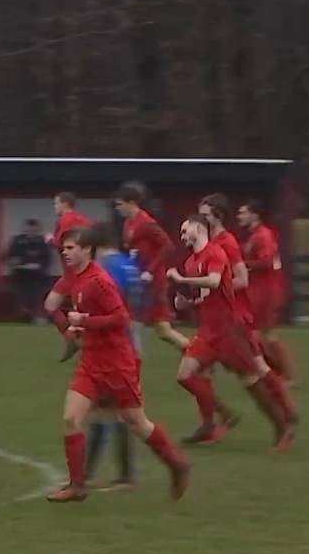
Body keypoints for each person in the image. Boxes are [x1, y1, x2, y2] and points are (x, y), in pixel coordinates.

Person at [42, 227, 190, 503]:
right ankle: (77, 486)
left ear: (87, 250)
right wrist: (77, 332)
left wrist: (84, 321)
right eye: (64, 248)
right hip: (91, 361)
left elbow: (121, 319)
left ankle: (177, 464)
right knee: (71, 419)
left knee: (137, 423)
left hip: (116, 364)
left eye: (71, 247)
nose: (65, 252)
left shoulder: (100, 280)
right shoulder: (76, 278)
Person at [167, 216, 297, 452]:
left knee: (251, 380)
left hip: (228, 329)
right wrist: (188, 303)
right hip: (208, 330)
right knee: (184, 375)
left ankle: (281, 425)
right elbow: (206, 295)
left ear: (199, 228)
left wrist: (183, 279)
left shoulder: (216, 253)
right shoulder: (190, 261)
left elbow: (216, 282)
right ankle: (225, 414)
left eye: (185, 230)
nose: (182, 236)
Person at [82, 224, 144, 491]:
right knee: (111, 411)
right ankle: (109, 475)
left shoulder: (106, 269)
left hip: (114, 347)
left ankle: (99, 476)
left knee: (107, 412)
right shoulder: (130, 264)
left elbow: (107, 306)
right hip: (133, 341)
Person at [113, 184, 189, 351]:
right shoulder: (128, 223)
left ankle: (197, 354)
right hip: (139, 282)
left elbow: (168, 246)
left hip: (153, 284)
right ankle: (196, 354)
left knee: (138, 326)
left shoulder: (146, 222)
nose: (117, 208)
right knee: (161, 330)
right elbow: (134, 249)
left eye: (120, 204)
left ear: (131, 202)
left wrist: (150, 271)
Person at [238, 199, 295, 384]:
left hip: (267, 291)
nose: (239, 216)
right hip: (259, 290)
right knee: (254, 333)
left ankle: (285, 375)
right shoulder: (255, 235)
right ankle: (276, 372)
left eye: (243, 212)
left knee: (265, 333)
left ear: (254, 215)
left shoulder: (263, 235)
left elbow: (267, 261)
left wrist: (243, 266)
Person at [3, 219, 52, 322]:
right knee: (21, 292)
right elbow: (6, 257)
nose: (31, 231)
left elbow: (47, 259)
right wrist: (13, 261)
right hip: (20, 273)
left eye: (34, 230)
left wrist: (40, 265)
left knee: (36, 292)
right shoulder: (17, 241)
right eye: (29, 229)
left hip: (37, 274)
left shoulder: (42, 242)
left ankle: (34, 314)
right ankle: (25, 313)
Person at [50, 192, 93, 258]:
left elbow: (60, 242)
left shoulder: (64, 219)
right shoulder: (83, 219)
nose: (54, 207)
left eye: (56, 203)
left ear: (65, 204)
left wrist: (50, 239)